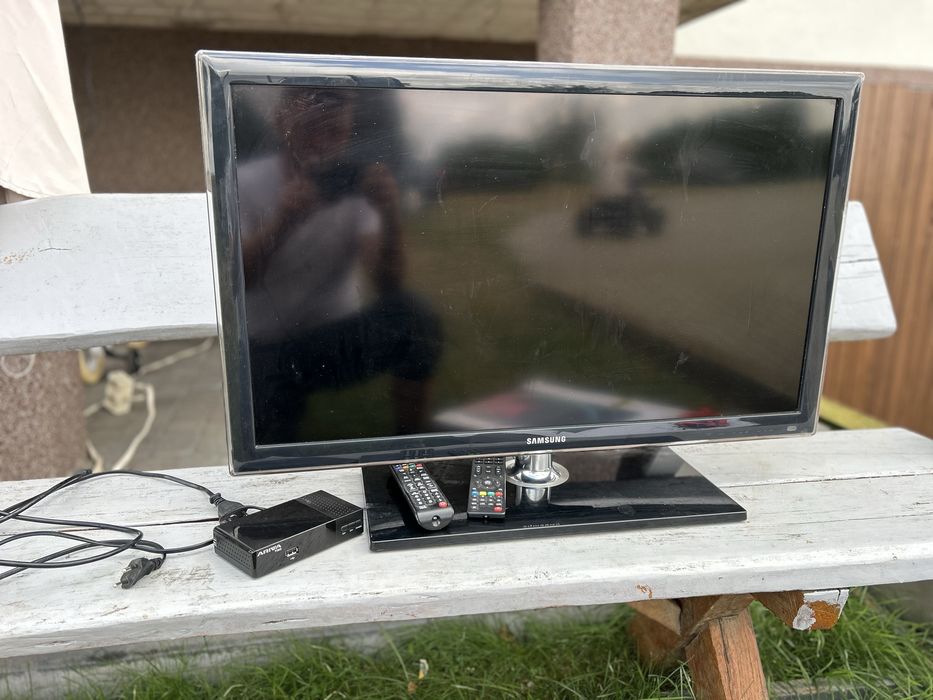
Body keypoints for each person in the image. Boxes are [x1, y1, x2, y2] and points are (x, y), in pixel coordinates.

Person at [236, 88, 442, 444]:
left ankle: (413, 448)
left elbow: (389, 284)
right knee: (270, 436)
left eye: (334, 132)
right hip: (266, 344)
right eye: (310, 129)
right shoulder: (246, 182)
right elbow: (237, 283)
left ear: (348, 131)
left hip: (333, 339)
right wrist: (282, 222)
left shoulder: (357, 183)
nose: (321, 144)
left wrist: (389, 214)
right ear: (282, 122)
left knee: (414, 320)